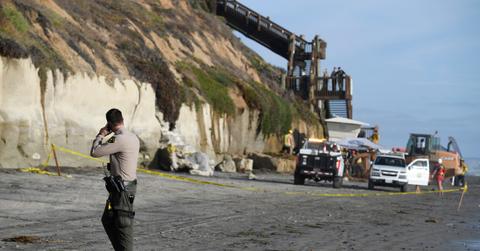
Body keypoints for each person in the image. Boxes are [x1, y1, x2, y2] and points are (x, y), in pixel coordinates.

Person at [91, 108, 140, 251]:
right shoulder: (129, 136)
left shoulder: (119, 139)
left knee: (123, 223)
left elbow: (95, 152)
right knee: (108, 219)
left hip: (123, 189)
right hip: (121, 188)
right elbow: (110, 146)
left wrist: (100, 135)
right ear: (122, 120)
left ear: (109, 124)